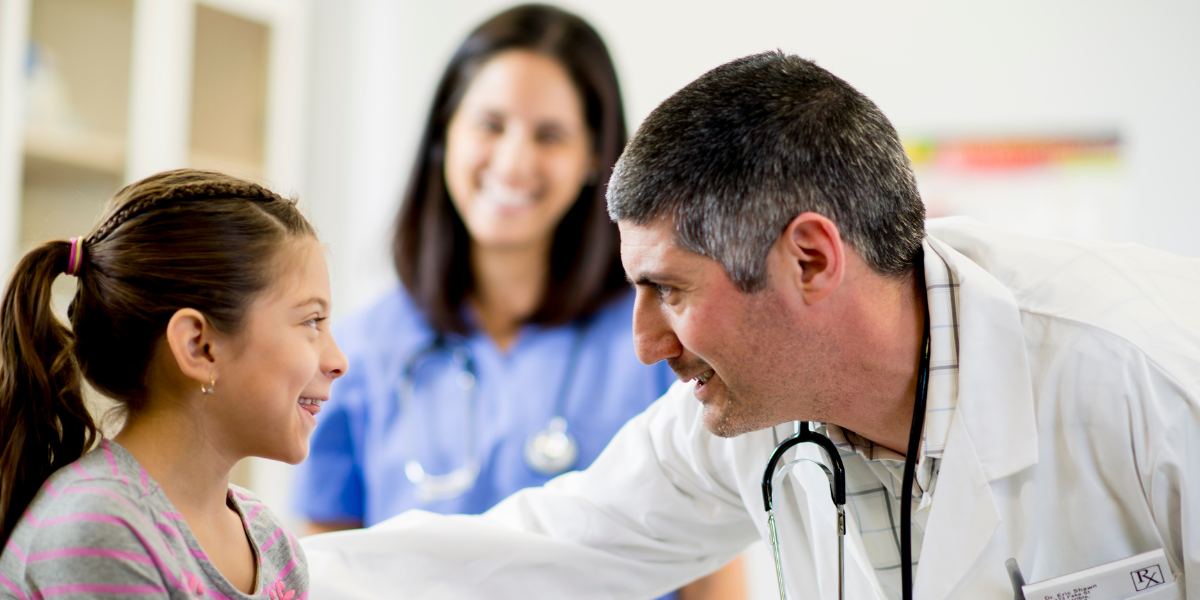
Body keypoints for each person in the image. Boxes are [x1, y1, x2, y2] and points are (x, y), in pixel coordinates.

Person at [300, 50, 1200, 600]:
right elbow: (544, 552)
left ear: (810, 259)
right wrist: (245, 574)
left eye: (672, 292)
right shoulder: (746, 416)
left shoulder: (1145, 377)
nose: (646, 343)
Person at [291, 5, 745, 599]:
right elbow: (330, 576)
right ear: (444, 133)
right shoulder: (352, 354)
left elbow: (710, 575)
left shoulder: (664, 344)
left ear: (593, 158)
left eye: (550, 134)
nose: (513, 160)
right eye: (490, 124)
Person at [0, 169, 348, 599]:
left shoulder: (272, 544)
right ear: (199, 347)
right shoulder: (102, 527)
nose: (339, 361)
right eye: (311, 321)